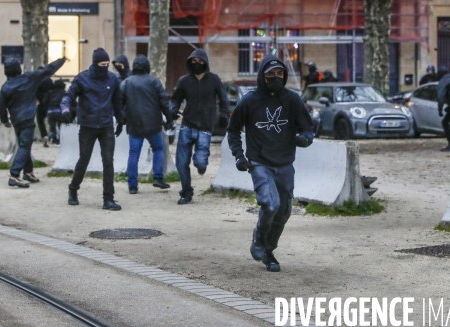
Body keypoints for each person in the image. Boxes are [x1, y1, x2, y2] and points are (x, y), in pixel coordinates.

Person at [227, 55, 314, 272]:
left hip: (285, 164)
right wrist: (239, 156)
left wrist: (305, 139)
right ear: (262, 76)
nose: (275, 78)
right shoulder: (248, 101)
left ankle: (269, 249)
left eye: (279, 74)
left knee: (284, 211)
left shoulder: (293, 100)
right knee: (270, 204)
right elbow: (233, 130)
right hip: (259, 162)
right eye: (270, 74)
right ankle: (258, 238)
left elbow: (307, 128)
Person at [61, 48, 124, 210]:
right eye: (102, 64)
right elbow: (69, 96)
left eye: (107, 64)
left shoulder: (112, 79)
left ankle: (108, 199)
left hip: (106, 125)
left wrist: (121, 120)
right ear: (95, 63)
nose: (105, 67)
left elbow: (117, 102)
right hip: (87, 125)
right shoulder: (82, 79)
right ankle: (73, 189)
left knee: (108, 162)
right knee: (84, 159)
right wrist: (66, 109)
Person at [170, 48, 229, 205]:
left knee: (201, 162)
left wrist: (224, 115)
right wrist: (173, 110)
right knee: (181, 162)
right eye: (194, 62)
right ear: (189, 63)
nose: (197, 64)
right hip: (186, 126)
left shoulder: (214, 80)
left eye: (200, 62)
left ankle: (201, 165)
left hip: (205, 127)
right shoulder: (184, 81)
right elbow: (175, 99)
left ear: (206, 63)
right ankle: (186, 192)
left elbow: (224, 100)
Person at [0, 57, 66, 188]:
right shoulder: (29, 78)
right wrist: (62, 60)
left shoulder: (5, 87)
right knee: (25, 146)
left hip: (16, 119)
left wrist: (5, 120)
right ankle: (14, 175)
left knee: (23, 144)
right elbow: (48, 70)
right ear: (19, 68)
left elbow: (1, 107)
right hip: (27, 118)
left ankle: (28, 172)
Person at [121, 54, 173, 194]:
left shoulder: (126, 82)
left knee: (133, 154)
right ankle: (158, 178)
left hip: (134, 124)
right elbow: (164, 102)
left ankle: (132, 185)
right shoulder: (154, 81)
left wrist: (122, 120)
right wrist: (169, 119)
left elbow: (118, 103)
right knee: (158, 149)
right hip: (153, 124)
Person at [35, 69, 55, 146]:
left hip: (41, 104)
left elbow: (35, 92)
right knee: (51, 121)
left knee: (40, 120)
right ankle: (52, 135)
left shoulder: (38, 81)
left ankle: (44, 135)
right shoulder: (50, 81)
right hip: (50, 104)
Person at [45, 79, 66, 145]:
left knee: (53, 129)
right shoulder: (64, 93)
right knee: (61, 128)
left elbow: (45, 101)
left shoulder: (50, 92)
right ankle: (60, 141)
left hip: (50, 111)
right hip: (60, 111)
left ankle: (48, 137)